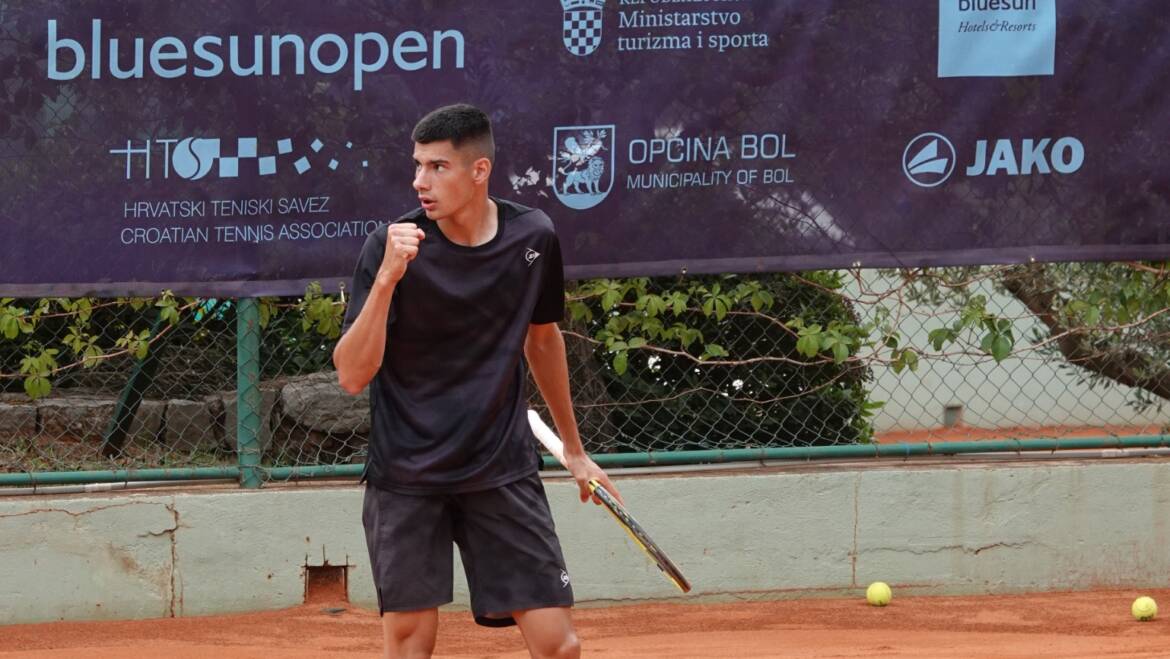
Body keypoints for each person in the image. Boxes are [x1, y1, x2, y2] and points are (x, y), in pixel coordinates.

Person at [332, 103, 620, 659]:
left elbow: (542, 339)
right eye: (417, 166)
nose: (420, 182)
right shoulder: (390, 246)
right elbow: (351, 374)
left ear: (479, 171)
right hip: (407, 475)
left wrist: (577, 453)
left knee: (559, 646)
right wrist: (389, 280)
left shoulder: (533, 237)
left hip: (500, 469)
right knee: (409, 648)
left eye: (438, 167)